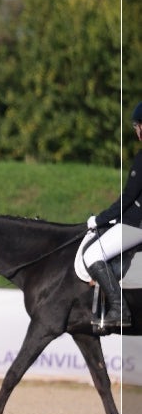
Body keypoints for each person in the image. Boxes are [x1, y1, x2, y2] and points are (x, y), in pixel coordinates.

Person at [82, 100, 142, 332]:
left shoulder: (141, 158)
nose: (136, 130)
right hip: (134, 220)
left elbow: (128, 197)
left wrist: (99, 220)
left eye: (138, 125)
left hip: (137, 226)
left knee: (93, 254)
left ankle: (119, 309)